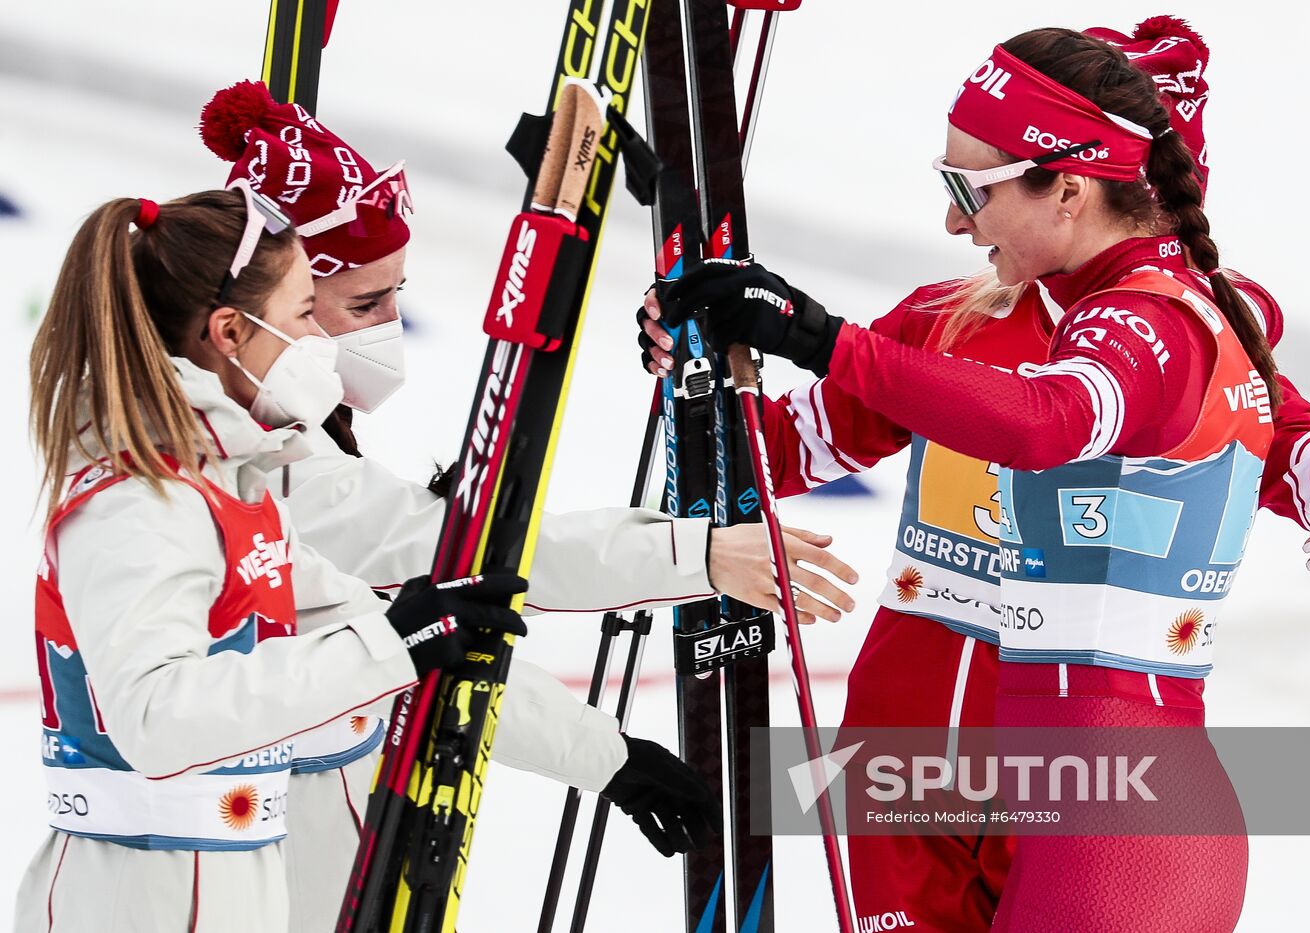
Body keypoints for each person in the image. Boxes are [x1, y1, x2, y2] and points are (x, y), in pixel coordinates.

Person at [635, 19, 1310, 931]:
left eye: (974, 189)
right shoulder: (951, 320)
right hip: (908, 762)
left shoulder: (1170, 333)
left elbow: (1283, 440)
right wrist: (693, 367)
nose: (959, 222)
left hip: (1077, 767)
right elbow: (769, 454)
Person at [196, 79, 860, 931]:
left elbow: (415, 629)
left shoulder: (285, 431)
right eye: (364, 304)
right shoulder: (250, 468)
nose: (389, 326)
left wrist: (611, 759)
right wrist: (696, 555)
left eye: (398, 294)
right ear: (249, 317)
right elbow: (459, 554)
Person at [17, 186, 534, 933]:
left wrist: (606, 757)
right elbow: (156, 716)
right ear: (229, 330)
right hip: (140, 894)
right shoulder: (140, 499)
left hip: (221, 877)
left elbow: (372, 625)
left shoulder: (228, 484)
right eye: (301, 316)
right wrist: (393, 642)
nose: (319, 342)